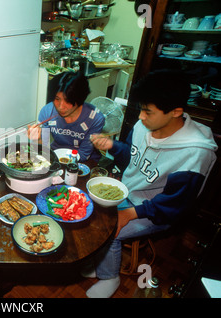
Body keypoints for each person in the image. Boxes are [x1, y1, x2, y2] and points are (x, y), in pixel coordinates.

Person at [85, 70, 218, 298]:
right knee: (90, 211)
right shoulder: (145, 125)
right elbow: (133, 158)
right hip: (127, 193)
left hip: (157, 211)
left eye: (147, 111)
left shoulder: (195, 152)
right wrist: (113, 146)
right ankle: (100, 261)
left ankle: (110, 277)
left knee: (110, 230)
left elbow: (175, 205)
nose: (140, 117)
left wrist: (132, 212)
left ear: (176, 111)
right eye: (141, 109)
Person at [27, 71, 105, 162]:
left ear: (79, 99)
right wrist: (38, 139)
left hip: (86, 161)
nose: (61, 107)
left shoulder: (95, 118)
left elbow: (84, 154)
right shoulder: (47, 111)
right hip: (55, 154)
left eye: (68, 100)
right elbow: (44, 150)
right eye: (57, 99)